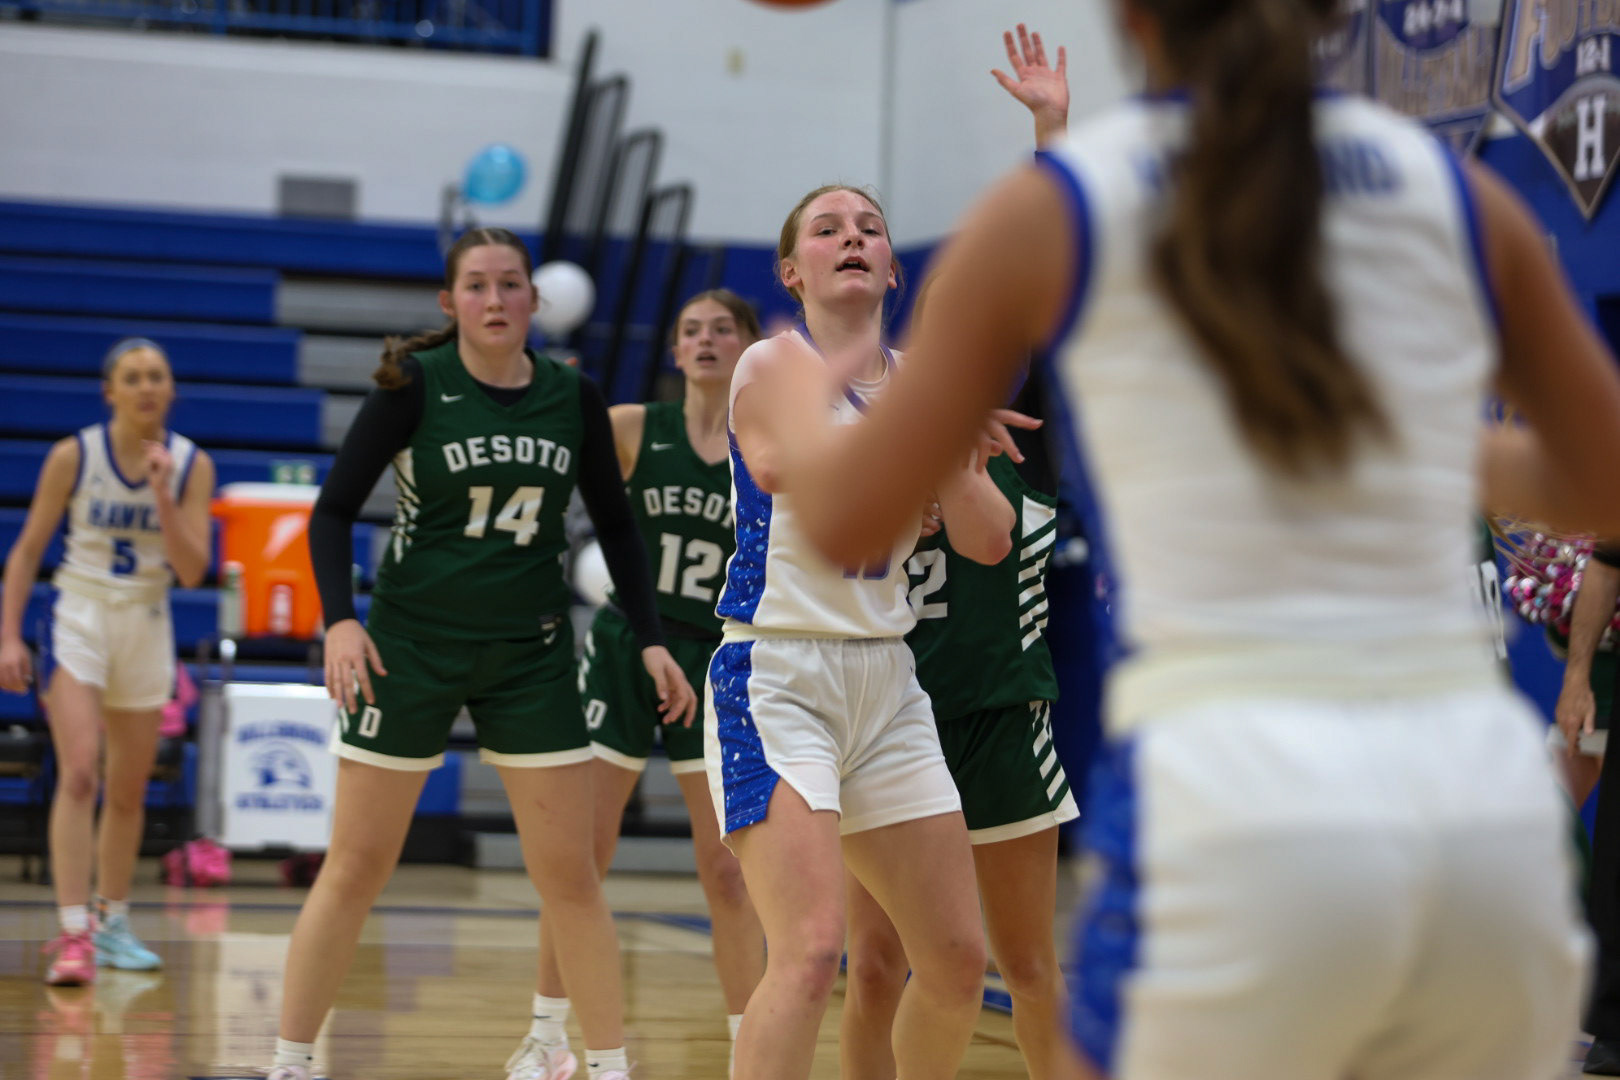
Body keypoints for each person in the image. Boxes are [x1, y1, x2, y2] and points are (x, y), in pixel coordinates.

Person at [786, 0, 1620, 1074]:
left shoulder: (1052, 213)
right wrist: (1410, 449)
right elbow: (1601, 478)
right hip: (1477, 802)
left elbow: (848, 519)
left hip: (1235, 779)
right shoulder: (1451, 190)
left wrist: (804, 406)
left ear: (1131, 18)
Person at [266, 228, 695, 1080]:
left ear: (535, 298)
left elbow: (618, 525)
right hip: (408, 648)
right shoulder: (416, 385)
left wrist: (650, 638)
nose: (495, 300)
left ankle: (608, 1066)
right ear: (450, 301)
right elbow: (332, 510)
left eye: (510, 284)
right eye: (476, 285)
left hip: (528, 655)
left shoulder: (574, 396)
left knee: (571, 874)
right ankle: (290, 1060)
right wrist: (340, 620)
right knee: (355, 866)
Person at [709, 184, 1031, 1080]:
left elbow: (988, 538)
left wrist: (942, 433)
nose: (851, 238)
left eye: (869, 229)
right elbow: (776, 464)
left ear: (892, 268)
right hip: (778, 673)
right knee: (812, 951)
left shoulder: (924, 389)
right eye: (827, 230)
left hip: (889, 683)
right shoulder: (774, 362)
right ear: (792, 271)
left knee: (957, 964)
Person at [512, 290, 766, 1080]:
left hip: (718, 656)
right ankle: (546, 1036)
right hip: (631, 645)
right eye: (691, 330)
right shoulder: (631, 427)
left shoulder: (771, 441)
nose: (706, 340)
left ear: (750, 345)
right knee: (582, 856)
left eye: (722, 329)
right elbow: (548, 445)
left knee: (728, 870)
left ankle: (751, 1050)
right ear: (674, 351)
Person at [0, 337, 215, 985]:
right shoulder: (74, 455)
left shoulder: (191, 465)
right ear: (110, 392)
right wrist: (9, 637)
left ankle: (112, 921)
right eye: (133, 377)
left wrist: (163, 496)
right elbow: (26, 551)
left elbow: (192, 570)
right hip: (80, 615)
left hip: (147, 620)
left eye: (157, 376)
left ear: (171, 390)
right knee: (79, 773)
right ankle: (73, 933)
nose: (147, 386)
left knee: (127, 788)